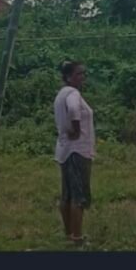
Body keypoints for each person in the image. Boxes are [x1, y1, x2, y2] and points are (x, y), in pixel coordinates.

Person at [54, 61, 95, 247]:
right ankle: (77, 237)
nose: (82, 77)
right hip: (78, 149)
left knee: (67, 194)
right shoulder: (73, 94)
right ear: (69, 76)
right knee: (78, 196)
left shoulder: (61, 94)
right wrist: (77, 129)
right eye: (79, 74)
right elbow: (73, 109)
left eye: (83, 74)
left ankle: (69, 232)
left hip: (64, 149)